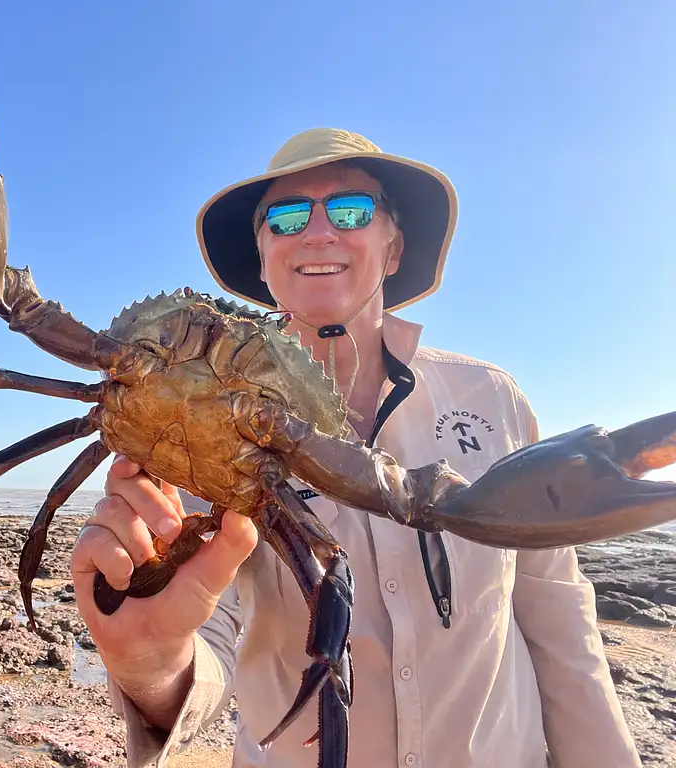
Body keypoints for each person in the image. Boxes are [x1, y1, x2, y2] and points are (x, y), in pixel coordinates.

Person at [70, 130, 641, 766]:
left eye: (351, 210)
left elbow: (560, 624)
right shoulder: (194, 427)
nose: (318, 232)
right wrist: (151, 666)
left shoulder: (490, 398)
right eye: (285, 216)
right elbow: (204, 635)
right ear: (261, 258)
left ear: (393, 246)